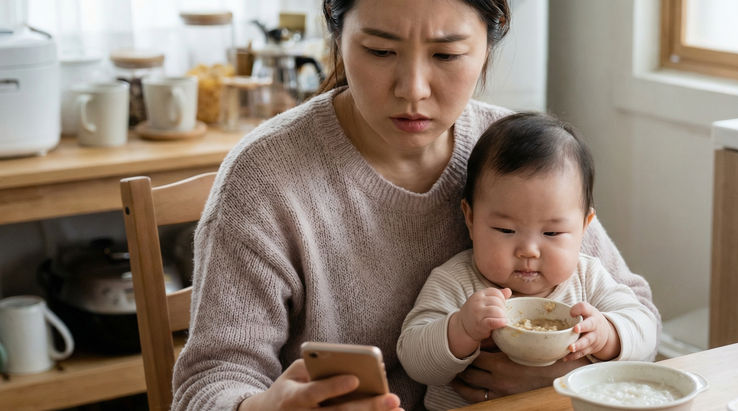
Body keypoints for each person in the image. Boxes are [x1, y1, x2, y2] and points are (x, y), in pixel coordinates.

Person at [171, 0, 660, 410]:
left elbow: (632, 309)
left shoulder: (515, 155)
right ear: (337, 38)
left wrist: (566, 370)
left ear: (489, 44)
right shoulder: (265, 179)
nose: (414, 89)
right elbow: (207, 384)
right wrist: (264, 407)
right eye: (381, 50)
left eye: (446, 55)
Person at [397, 113, 659, 410]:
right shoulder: (456, 281)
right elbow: (414, 361)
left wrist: (607, 335)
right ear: (470, 219)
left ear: (585, 227)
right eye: (506, 230)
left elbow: (645, 330)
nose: (529, 251)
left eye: (552, 232)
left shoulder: (589, 278)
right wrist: (461, 328)